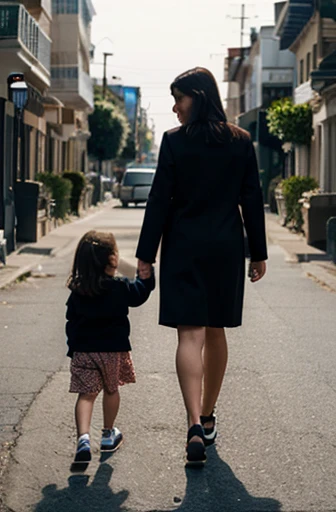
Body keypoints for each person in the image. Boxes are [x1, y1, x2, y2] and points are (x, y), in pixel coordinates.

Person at [136, 67, 267, 467]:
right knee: (216, 330)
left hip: (183, 247)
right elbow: (252, 201)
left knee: (189, 335)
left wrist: (146, 254)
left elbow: (159, 200)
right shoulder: (241, 141)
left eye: (179, 98)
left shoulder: (174, 142)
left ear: (198, 96)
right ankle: (207, 417)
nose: (175, 108)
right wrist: (257, 253)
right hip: (226, 247)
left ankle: (192, 422)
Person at [66, 230, 155, 464]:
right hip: (112, 351)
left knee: (86, 395)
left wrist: (73, 347)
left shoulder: (78, 290)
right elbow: (140, 295)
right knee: (111, 389)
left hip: (84, 350)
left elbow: (71, 320)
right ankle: (107, 434)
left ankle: (83, 438)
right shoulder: (119, 287)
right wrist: (146, 278)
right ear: (112, 260)